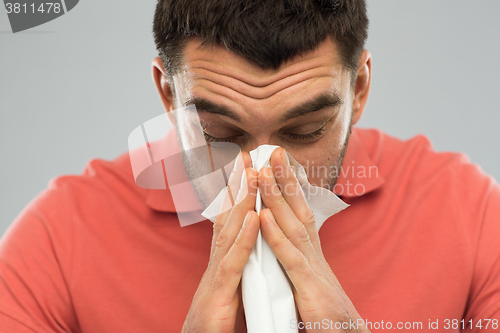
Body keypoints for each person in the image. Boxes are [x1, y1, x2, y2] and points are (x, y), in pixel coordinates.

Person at [1, 0, 499, 332]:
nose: (262, 169)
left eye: (306, 131)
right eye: (219, 134)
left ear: (360, 90)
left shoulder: (469, 215)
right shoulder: (62, 237)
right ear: (169, 95)